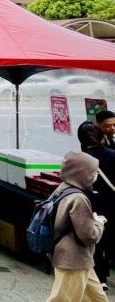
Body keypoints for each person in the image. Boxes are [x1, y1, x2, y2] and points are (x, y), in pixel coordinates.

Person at [46, 151, 108, 302]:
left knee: (97, 299)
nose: (95, 176)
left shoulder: (62, 188)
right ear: (82, 173)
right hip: (73, 260)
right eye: (93, 172)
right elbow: (89, 235)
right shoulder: (79, 198)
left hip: (74, 258)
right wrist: (98, 222)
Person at [78, 121, 115, 291]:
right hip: (112, 202)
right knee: (111, 238)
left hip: (91, 203)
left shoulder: (80, 159)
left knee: (95, 241)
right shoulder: (112, 155)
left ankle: (100, 278)